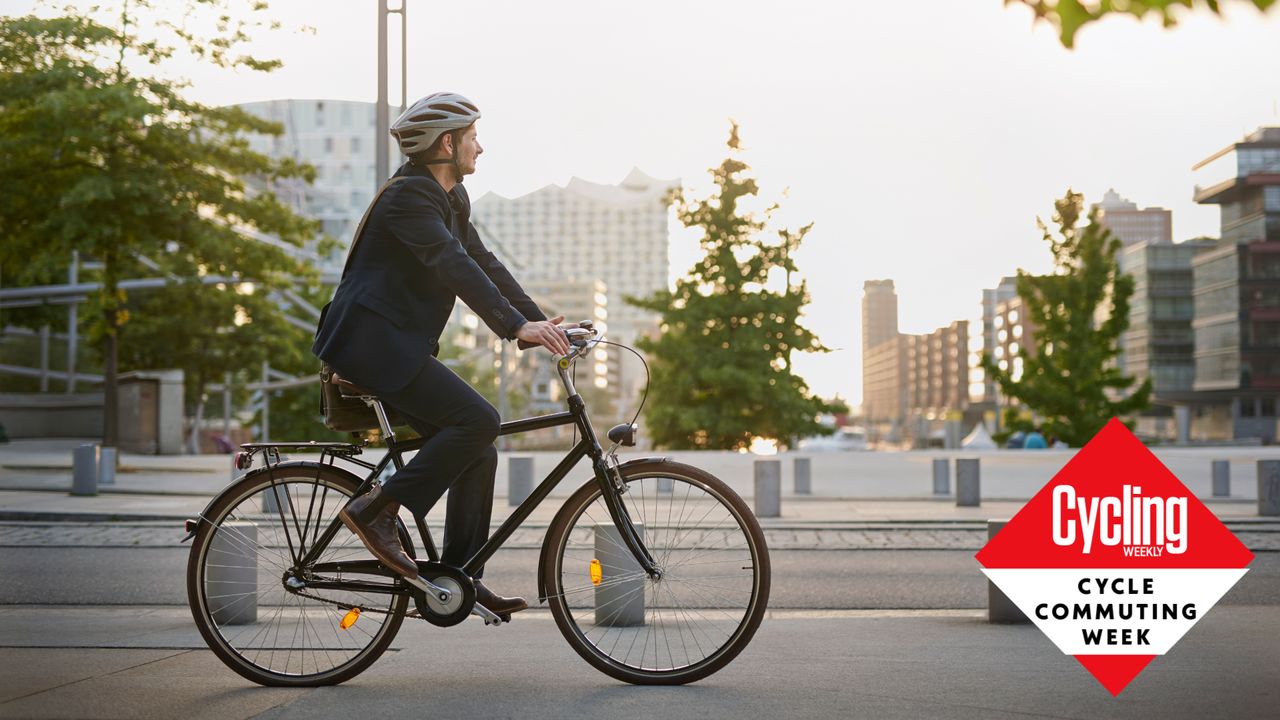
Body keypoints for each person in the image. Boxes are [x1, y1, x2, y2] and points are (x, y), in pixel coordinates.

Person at [312, 92, 572, 618]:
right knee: (479, 420)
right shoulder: (408, 197)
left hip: (397, 347)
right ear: (447, 143)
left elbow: (484, 262)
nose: (482, 146)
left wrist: (536, 323)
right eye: (473, 136)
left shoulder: (451, 200)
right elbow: (451, 263)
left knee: (480, 446)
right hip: (371, 344)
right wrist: (515, 326)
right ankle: (376, 509)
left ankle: (459, 579)